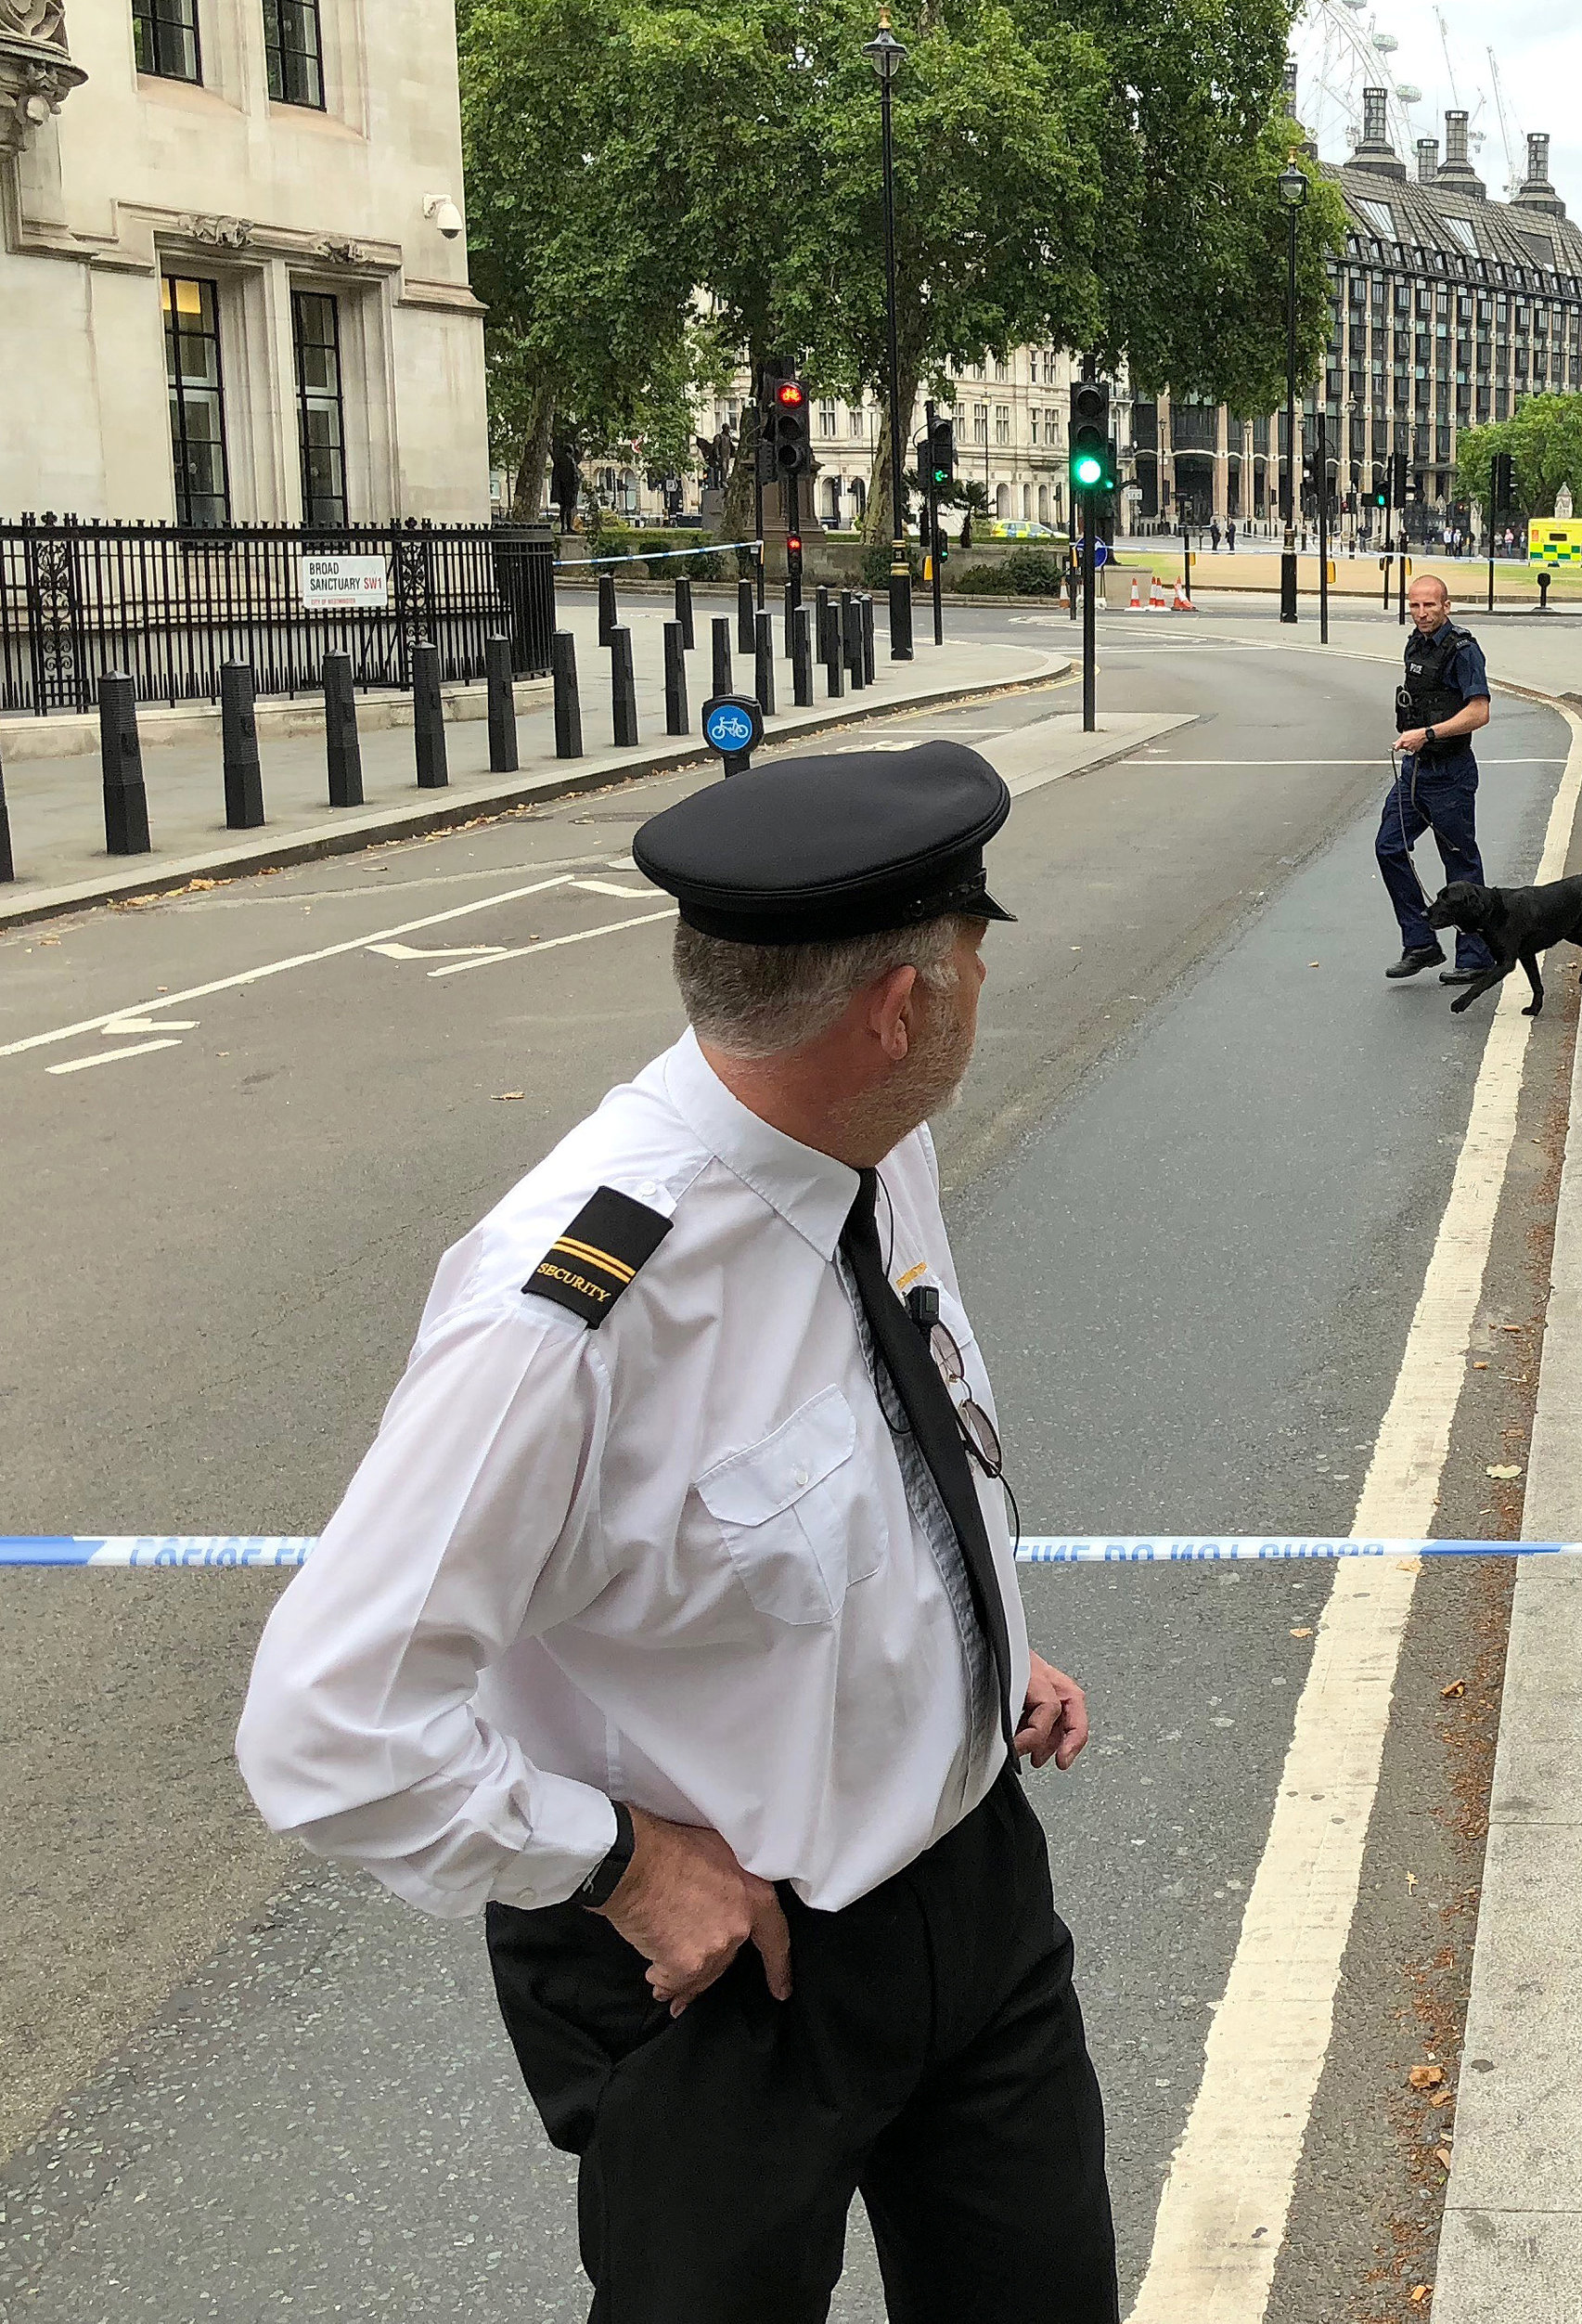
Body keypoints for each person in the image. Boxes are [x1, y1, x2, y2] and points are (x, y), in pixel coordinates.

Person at [237, 742, 1118, 2324]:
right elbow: (326, 1722)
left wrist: (968, 1648)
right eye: (976, 950)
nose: (988, 978)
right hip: (724, 1967)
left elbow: (866, 1464)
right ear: (901, 1007)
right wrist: (620, 1861)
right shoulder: (567, 1312)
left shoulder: (871, 1142)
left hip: (975, 1896)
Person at [1378, 572, 1497, 984]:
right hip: (1415, 772)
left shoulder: (1463, 650)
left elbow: (1478, 712)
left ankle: (1476, 955)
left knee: (1460, 864)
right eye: (1415, 605)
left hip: (1450, 774)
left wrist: (1427, 734)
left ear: (1447, 606)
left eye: (1430, 605)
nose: (1422, 613)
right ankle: (1421, 942)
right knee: (1389, 847)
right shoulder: (1415, 642)